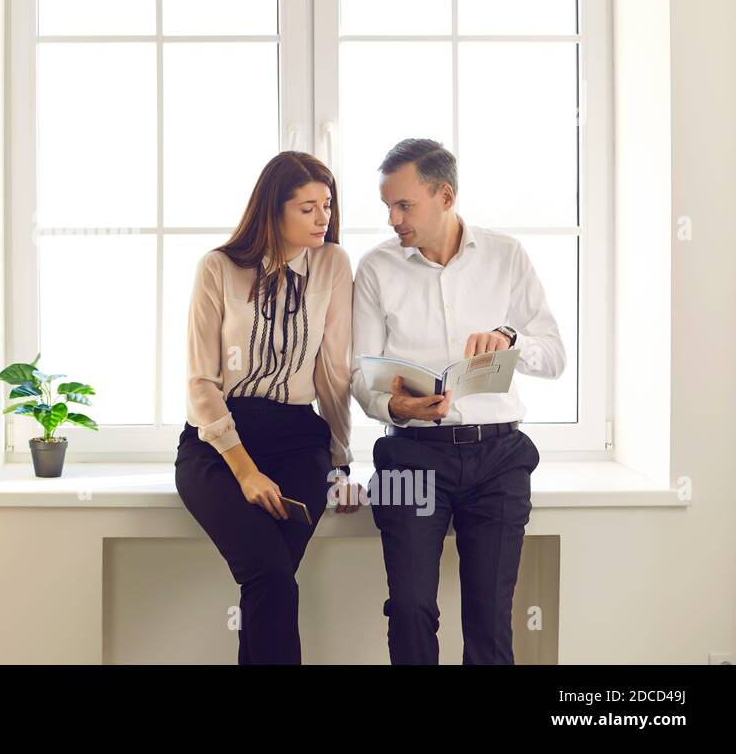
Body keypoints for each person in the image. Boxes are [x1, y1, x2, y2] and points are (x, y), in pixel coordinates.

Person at [351, 138, 566, 664]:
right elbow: (359, 374)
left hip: (499, 458)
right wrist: (395, 407)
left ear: (444, 195)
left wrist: (509, 341)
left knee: (490, 614)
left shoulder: (506, 255)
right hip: (411, 456)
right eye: (387, 206)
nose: (393, 219)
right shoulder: (376, 268)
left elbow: (554, 356)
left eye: (404, 205)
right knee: (409, 606)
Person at [175, 151, 362, 665]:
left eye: (327, 205)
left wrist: (342, 462)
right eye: (307, 208)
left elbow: (333, 371)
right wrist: (246, 471)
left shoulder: (333, 264)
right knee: (269, 576)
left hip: (301, 441)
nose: (323, 218)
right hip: (219, 443)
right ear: (272, 210)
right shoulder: (218, 268)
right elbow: (200, 382)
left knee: (271, 581)